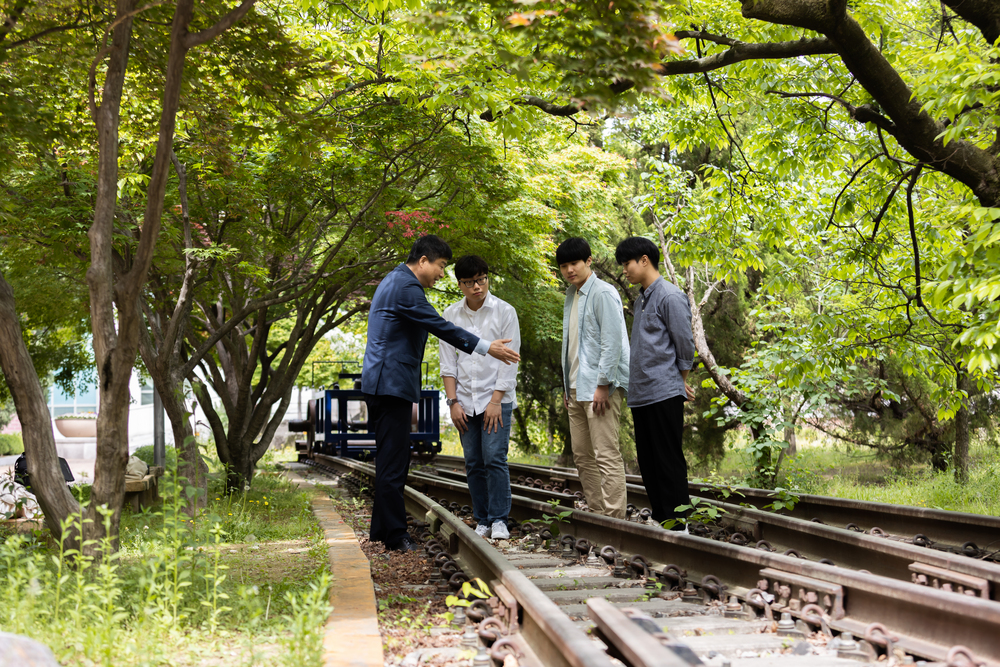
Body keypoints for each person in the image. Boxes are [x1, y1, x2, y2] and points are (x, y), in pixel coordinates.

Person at [362, 235, 520, 551]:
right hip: (390, 384)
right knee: (394, 462)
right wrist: (487, 347)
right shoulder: (406, 288)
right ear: (423, 261)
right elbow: (440, 327)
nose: (440, 273)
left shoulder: (394, 280)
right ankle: (395, 536)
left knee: (390, 460)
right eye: (440, 266)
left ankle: (382, 529)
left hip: (384, 382)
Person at [615, 236, 696, 529]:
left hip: (663, 392)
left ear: (644, 260)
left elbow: (685, 345)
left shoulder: (670, 296)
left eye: (627, 263)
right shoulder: (642, 298)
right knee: (648, 462)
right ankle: (663, 519)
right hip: (642, 394)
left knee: (668, 459)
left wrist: (679, 380)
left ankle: (680, 523)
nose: (624, 269)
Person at [439, 255, 520, 540]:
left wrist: (496, 400)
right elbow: (448, 364)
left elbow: (510, 361)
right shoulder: (450, 316)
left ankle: (499, 519)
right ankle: (482, 518)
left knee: (494, 458)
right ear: (460, 284)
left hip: (496, 398)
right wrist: (453, 403)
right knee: (473, 460)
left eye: (481, 279)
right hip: (464, 401)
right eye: (470, 282)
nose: (477, 286)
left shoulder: (505, 312)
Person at [557, 237, 630, 519]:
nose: (569, 270)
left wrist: (603, 385)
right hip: (575, 388)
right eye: (564, 266)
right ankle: (599, 516)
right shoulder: (571, 295)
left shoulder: (603, 293)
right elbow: (573, 344)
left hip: (600, 389)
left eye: (574, 263)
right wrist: (567, 386)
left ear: (588, 261)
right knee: (583, 457)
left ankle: (615, 520)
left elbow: (612, 343)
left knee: (606, 454)